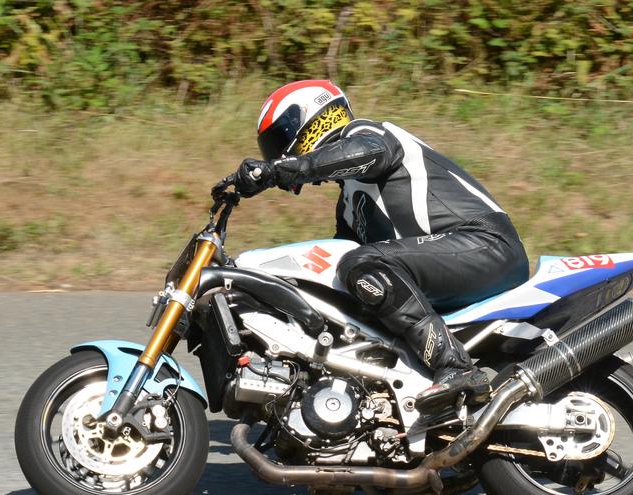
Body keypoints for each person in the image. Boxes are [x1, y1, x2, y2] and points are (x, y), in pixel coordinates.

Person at [213, 80, 528, 418]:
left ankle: (455, 367)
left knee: (361, 264)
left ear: (310, 117)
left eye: (278, 141)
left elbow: (366, 153)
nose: (277, 153)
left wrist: (279, 171)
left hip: (483, 243)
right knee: (341, 285)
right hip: (448, 262)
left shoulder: (367, 134)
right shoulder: (350, 202)